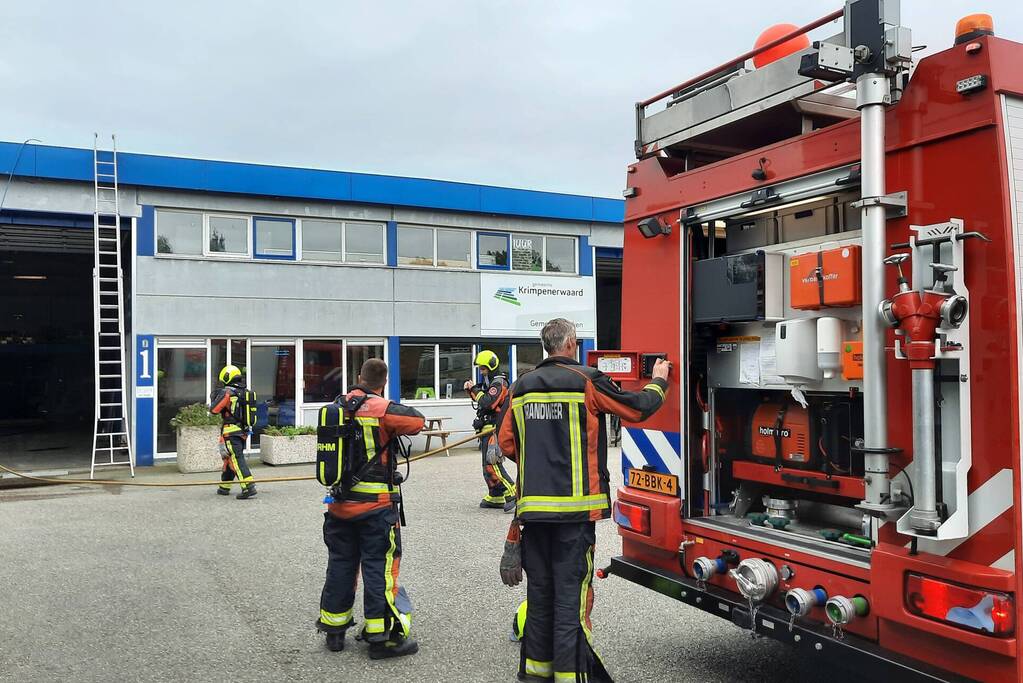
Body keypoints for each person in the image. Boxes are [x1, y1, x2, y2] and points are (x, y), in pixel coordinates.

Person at [498, 318, 670, 682]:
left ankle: (534, 674)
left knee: (540, 599)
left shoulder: (521, 387)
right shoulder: (586, 380)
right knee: (569, 605)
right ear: (572, 343)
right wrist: (660, 379)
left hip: (533, 517)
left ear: (547, 346)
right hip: (574, 519)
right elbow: (638, 408)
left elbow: (507, 444)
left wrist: (540, 460)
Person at [317, 358, 426, 659]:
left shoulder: (338, 406)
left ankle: (334, 631)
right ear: (383, 382)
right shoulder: (382, 409)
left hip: (339, 506)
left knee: (340, 564)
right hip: (375, 508)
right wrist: (383, 402)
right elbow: (417, 421)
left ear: (358, 377)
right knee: (379, 568)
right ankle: (381, 638)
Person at [464, 350, 516, 512]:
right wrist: (472, 391)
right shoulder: (491, 382)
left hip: (495, 429)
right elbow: (483, 399)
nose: (481, 372)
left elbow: (488, 403)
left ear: (491, 366)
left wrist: (473, 390)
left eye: (483, 368)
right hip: (487, 428)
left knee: (492, 463)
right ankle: (496, 495)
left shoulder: (498, 383)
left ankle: (512, 491)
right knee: (486, 465)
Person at [210, 364, 257, 500]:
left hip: (230, 432)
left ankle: (248, 486)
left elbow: (214, 410)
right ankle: (225, 487)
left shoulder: (228, 392)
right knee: (229, 458)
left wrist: (215, 397)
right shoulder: (244, 392)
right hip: (242, 431)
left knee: (236, 458)